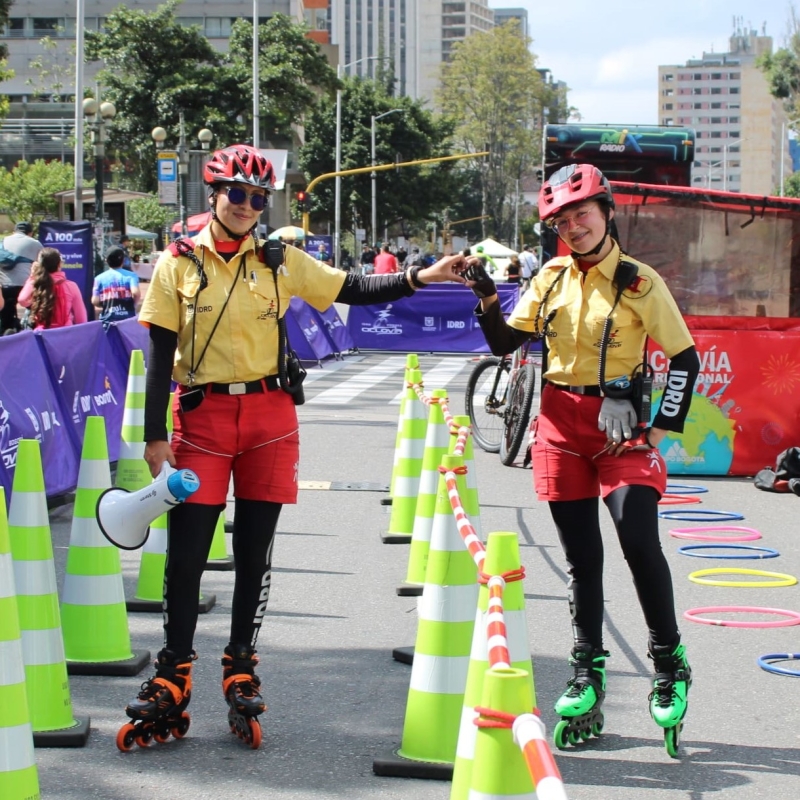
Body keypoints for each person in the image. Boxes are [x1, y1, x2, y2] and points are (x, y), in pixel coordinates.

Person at [125, 143, 469, 750]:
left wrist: (421, 274)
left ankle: (240, 664)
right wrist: (156, 438)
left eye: (259, 198)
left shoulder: (283, 260)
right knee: (186, 557)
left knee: (254, 555)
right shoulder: (177, 263)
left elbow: (354, 287)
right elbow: (158, 358)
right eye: (238, 194)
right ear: (215, 194)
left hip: (271, 419)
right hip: (202, 418)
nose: (248, 206)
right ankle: (174, 671)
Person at [465, 163, 699, 752]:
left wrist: (656, 427)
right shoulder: (548, 279)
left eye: (582, 214)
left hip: (622, 431)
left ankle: (669, 664)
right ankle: (586, 667)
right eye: (562, 220)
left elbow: (685, 359)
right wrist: (488, 296)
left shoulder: (640, 282)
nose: (573, 226)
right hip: (560, 424)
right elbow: (503, 343)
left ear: (607, 211)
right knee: (580, 558)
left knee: (637, 536)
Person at [16, 247, 88, 330]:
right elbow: (81, 318)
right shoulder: (71, 286)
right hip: (64, 333)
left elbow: (22, 300)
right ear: (59, 264)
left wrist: (32, 277)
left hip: (42, 334)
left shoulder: (37, 284)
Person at [0, 221, 42, 333]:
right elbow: (43, 264)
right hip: (26, 286)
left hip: (5, 285)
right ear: (30, 233)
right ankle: (31, 331)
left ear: (14, 231)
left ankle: (6, 333)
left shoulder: (3, 241)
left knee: (6, 315)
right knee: (35, 311)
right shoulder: (35, 243)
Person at [91, 245, 141, 329]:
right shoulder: (131, 276)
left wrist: (105, 304)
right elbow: (135, 293)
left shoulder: (98, 278)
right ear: (123, 260)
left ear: (106, 260)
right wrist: (133, 304)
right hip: (127, 320)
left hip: (107, 321)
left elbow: (94, 301)